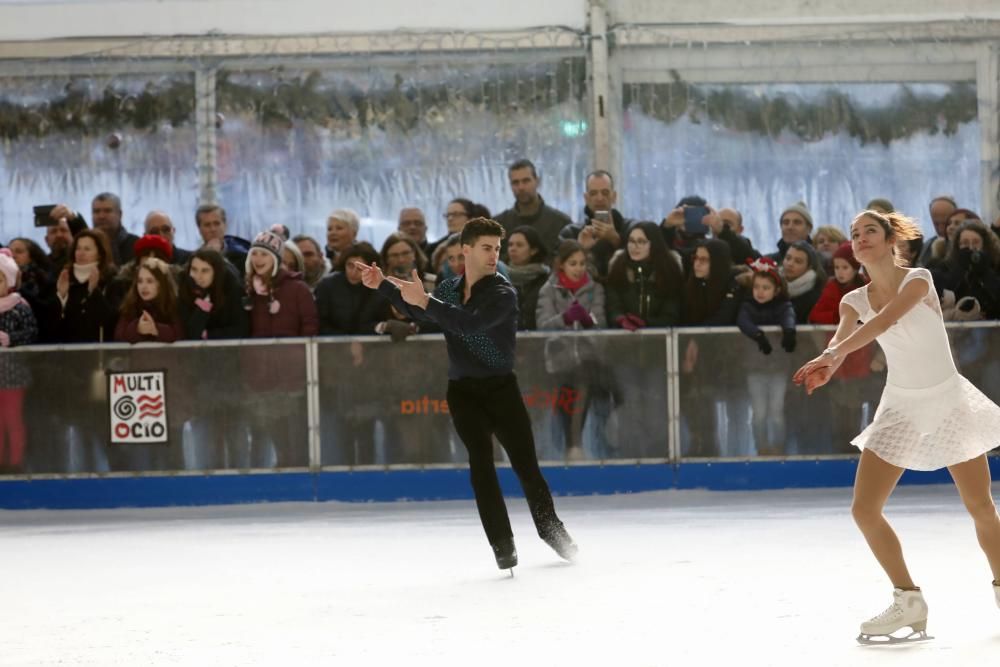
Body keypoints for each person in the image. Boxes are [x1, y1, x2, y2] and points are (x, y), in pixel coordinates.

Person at [793, 209, 1000, 643]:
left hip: (947, 400)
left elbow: (887, 321)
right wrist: (830, 361)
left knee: (980, 506)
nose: (861, 237)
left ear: (891, 241)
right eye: (855, 233)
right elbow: (841, 338)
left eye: (870, 230)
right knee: (864, 510)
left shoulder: (918, 279)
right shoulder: (854, 301)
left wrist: (835, 355)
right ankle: (908, 599)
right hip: (900, 408)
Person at [357, 217, 577, 572]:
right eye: (487, 248)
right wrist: (383, 285)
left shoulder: (503, 292)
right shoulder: (448, 289)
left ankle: (553, 532)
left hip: (501, 390)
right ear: (466, 249)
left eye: (497, 249)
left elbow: (467, 323)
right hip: (463, 392)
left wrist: (424, 301)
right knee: (480, 464)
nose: (493, 256)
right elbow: (423, 311)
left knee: (527, 469)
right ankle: (502, 544)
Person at [535, 239, 607, 460]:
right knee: (566, 391)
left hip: (588, 357)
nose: (579, 268)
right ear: (562, 265)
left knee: (583, 381)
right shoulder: (549, 289)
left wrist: (587, 320)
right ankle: (564, 444)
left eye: (582, 263)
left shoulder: (595, 289)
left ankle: (575, 445)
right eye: (573, 263)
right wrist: (564, 318)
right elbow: (543, 324)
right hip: (558, 359)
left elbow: (601, 323)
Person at [736, 257, 797, 456]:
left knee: (776, 412)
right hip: (755, 370)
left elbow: (788, 316)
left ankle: (779, 447)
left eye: (766, 287)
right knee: (759, 414)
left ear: (776, 290)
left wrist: (789, 330)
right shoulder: (748, 306)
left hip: (778, 369)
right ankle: (761, 447)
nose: (760, 292)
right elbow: (743, 321)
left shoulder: (782, 306)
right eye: (757, 287)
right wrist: (758, 335)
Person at [0, 251, 38, 473]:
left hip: (14, 377)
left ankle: (15, 462)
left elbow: (32, 332)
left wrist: (10, 338)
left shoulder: (18, 306)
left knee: (13, 420)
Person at [505, 226, 550, 330]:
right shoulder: (500, 276)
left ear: (533, 250)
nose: (513, 249)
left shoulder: (546, 279)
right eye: (510, 245)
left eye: (519, 245)